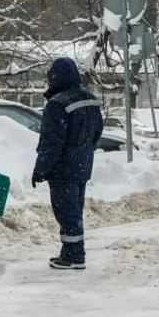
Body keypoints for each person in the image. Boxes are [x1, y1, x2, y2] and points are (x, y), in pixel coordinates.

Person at [32, 57, 103, 270]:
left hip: (63, 168)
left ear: (55, 77)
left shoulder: (58, 104)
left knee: (66, 211)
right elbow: (97, 131)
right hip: (83, 164)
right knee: (75, 209)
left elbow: (51, 142)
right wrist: (84, 151)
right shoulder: (90, 99)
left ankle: (74, 256)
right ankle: (71, 251)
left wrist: (41, 169)